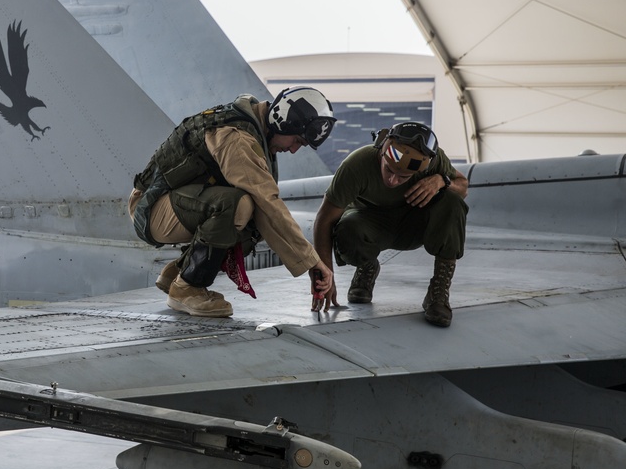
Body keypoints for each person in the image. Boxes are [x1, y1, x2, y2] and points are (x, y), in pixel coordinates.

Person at [129, 88, 337, 317]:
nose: (294, 149)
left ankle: (178, 272)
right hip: (150, 208)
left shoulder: (255, 127)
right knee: (239, 205)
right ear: (282, 121)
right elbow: (268, 202)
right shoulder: (237, 137)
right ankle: (188, 287)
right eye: (297, 140)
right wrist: (311, 261)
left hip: (172, 201)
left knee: (252, 217)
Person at [311, 122, 469, 327]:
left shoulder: (434, 161)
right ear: (383, 151)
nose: (393, 181)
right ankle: (366, 266)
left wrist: (441, 181)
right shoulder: (357, 164)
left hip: (413, 224)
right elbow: (323, 220)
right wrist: (324, 278)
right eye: (389, 170)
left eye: (403, 176)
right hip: (370, 224)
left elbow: (463, 187)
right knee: (347, 229)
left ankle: (438, 293)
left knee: (453, 201)